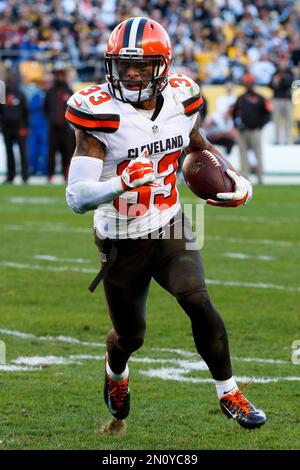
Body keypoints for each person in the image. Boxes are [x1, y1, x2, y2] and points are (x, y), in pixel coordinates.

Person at [65, 17, 266, 430]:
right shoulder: (100, 112)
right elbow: (76, 196)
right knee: (130, 336)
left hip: (170, 223)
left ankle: (229, 392)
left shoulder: (182, 97)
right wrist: (119, 182)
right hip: (120, 236)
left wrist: (234, 178)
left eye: (141, 65)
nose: (131, 73)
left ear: (164, 66)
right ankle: (116, 373)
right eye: (124, 65)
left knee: (196, 297)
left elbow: (197, 144)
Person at [232, 73, 272, 184]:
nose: (248, 85)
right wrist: (236, 124)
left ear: (253, 84)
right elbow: (234, 113)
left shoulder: (260, 98)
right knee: (243, 154)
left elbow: (268, 114)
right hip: (242, 131)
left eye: (250, 83)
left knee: (258, 153)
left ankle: (260, 177)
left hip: (255, 130)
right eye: (246, 82)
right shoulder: (240, 98)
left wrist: (260, 125)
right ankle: (245, 177)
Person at [43, 64, 74, 182]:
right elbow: (45, 107)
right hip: (53, 128)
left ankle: (65, 176)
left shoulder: (69, 90)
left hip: (65, 128)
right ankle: (49, 176)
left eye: (62, 74)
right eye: (58, 74)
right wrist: (51, 118)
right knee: (51, 153)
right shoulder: (50, 91)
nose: (60, 77)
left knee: (66, 153)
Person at [0, 74, 29, 184]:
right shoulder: (3, 95)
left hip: (19, 128)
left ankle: (25, 176)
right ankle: (10, 176)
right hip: (7, 128)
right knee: (9, 153)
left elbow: (26, 112)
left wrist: (25, 127)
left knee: (23, 152)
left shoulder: (21, 94)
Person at [270, 58, 294, 145]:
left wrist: (282, 79)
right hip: (277, 99)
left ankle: (288, 139)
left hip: (287, 99)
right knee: (276, 120)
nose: (283, 64)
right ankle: (277, 139)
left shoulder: (289, 73)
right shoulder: (275, 73)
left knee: (288, 120)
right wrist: (274, 82)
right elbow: (270, 85)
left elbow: (290, 84)